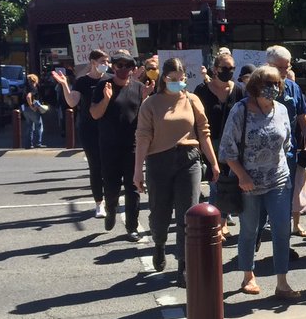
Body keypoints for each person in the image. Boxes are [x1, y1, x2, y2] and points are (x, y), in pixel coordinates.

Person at [134, 57, 219, 282]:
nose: (179, 83)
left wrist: (213, 161)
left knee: (187, 214)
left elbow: (204, 132)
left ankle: (184, 264)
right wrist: (137, 171)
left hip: (189, 159)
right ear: (164, 78)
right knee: (159, 214)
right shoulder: (150, 104)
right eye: (174, 79)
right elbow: (142, 137)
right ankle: (159, 244)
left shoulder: (192, 100)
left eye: (182, 79)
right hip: (158, 161)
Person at [219, 65, 298, 298]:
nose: (273, 89)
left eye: (276, 84)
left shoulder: (282, 110)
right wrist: (242, 175)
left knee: (282, 230)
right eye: (267, 84)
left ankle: (282, 282)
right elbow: (226, 150)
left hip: (278, 180)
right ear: (255, 87)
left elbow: (287, 144)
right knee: (249, 230)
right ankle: (248, 276)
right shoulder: (240, 111)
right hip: (248, 184)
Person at [90, 49, 146, 242]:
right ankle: (110, 208)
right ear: (113, 67)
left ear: (133, 68)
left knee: (133, 188)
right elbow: (95, 114)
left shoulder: (139, 88)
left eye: (127, 66)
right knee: (112, 187)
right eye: (119, 65)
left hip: (132, 147)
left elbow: (143, 117)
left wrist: (146, 98)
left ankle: (132, 227)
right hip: (109, 146)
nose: (123, 69)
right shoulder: (102, 85)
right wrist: (106, 98)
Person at [265, 46, 306, 239]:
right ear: (269, 65)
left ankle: (282, 245)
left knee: (286, 199)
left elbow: (304, 117)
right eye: (282, 67)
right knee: (261, 203)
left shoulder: (293, 87)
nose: (286, 71)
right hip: (262, 158)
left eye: (288, 66)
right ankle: (258, 236)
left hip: (288, 155)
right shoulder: (257, 87)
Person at [52, 49, 109, 217]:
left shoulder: (110, 79)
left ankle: (110, 198)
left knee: (109, 166)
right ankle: (99, 203)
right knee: (95, 166)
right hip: (89, 129)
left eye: (107, 62)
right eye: (103, 62)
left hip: (108, 129)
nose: (106, 65)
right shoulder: (82, 82)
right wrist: (64, 85)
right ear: (93, 62)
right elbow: (72, 102)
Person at [194, 50, 245, 225]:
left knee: (231, 183)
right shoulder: (202, 90)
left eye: (232, 68)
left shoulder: (238, 90)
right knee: (216, 184)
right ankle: (216, 223)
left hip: (234, 146)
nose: (229, 71)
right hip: (211, 146)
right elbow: (196, 120)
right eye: (225, 68)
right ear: (215, 69)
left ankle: (223, 217)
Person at [20, 73, 46, 149]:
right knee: (39, 125)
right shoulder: (33, 87)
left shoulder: (25, 87)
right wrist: (31, 106)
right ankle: (38, 142)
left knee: (29, 126)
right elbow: (29, 96)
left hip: (25, 109)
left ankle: (28, 144)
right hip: (32, 108)